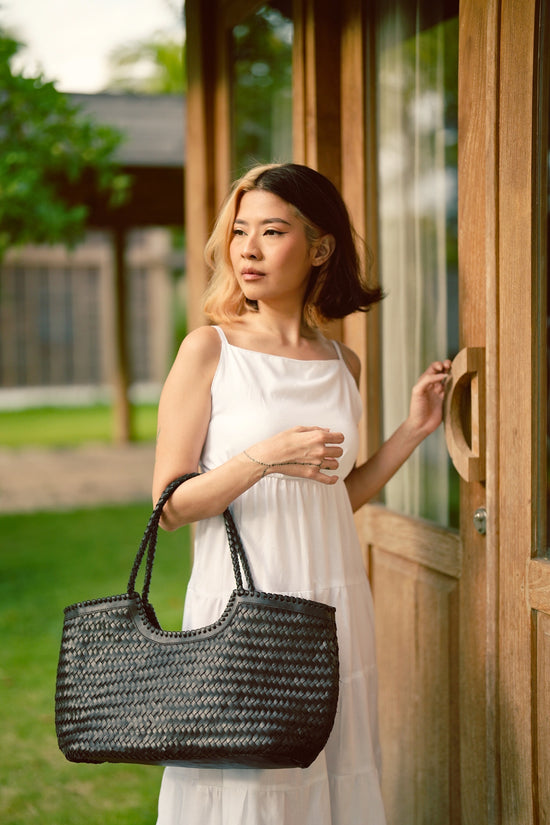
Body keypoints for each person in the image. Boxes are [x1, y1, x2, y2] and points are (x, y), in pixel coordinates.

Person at [152, 162, 450, 825]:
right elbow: (169, 506)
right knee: (252, 787)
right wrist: (264, 456)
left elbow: (330, 499)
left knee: (335, 772)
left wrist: (413, 429)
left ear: (320, 248)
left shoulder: (344, 363)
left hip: (333, 601)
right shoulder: (208, 350)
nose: (249, 250)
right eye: (239, 232)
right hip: (243, 603)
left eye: (272, 231)